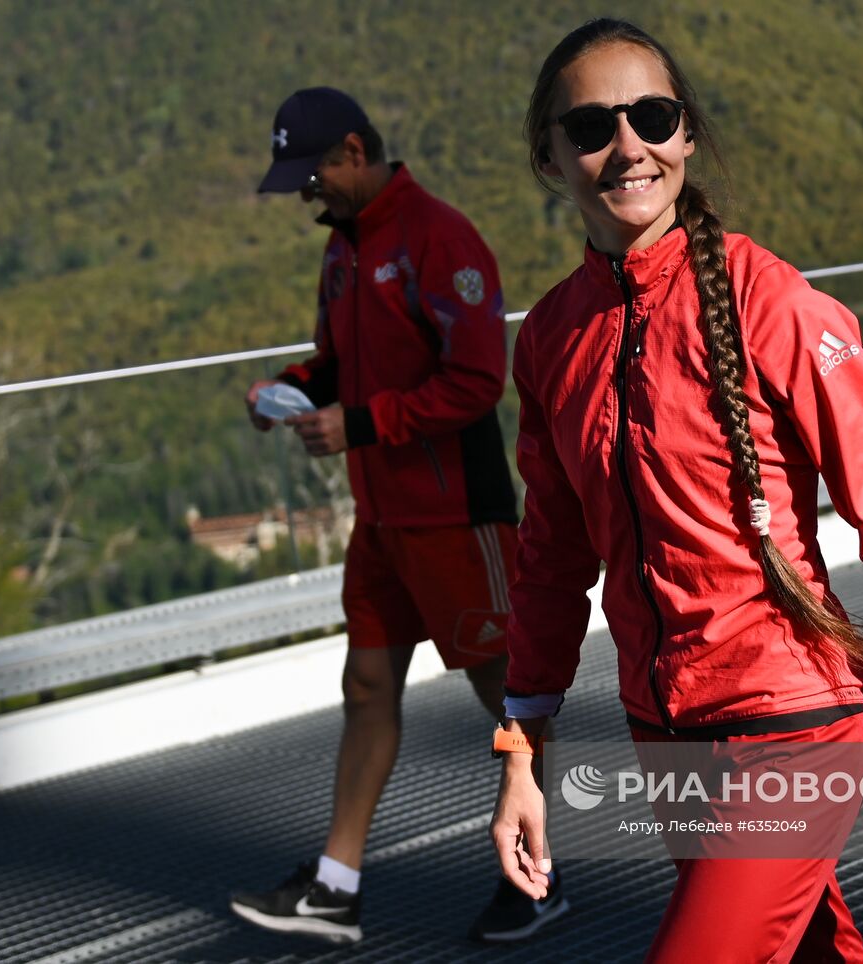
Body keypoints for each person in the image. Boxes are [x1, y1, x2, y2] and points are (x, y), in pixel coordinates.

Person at [489, 19, 863, 963]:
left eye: (652, 116)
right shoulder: (551, 341)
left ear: (686, 134)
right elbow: (550, 562)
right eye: (591, 128)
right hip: (666, 736)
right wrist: (522, 756)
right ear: (550, 156)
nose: (628, 147)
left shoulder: (775, 303)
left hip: (794, 727)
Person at [230, 86, 568, 945]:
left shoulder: (438, 237)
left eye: (312, 177)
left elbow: (473, 382)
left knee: (510, 698)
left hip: (460, 517)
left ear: (353, 150)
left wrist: (360, 423)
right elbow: (342, 364)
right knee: (366, 687)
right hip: (381, 519)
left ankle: (534, 879)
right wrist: (293, 389)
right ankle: (336, 887)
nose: (308, 195)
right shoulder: (343, 253)